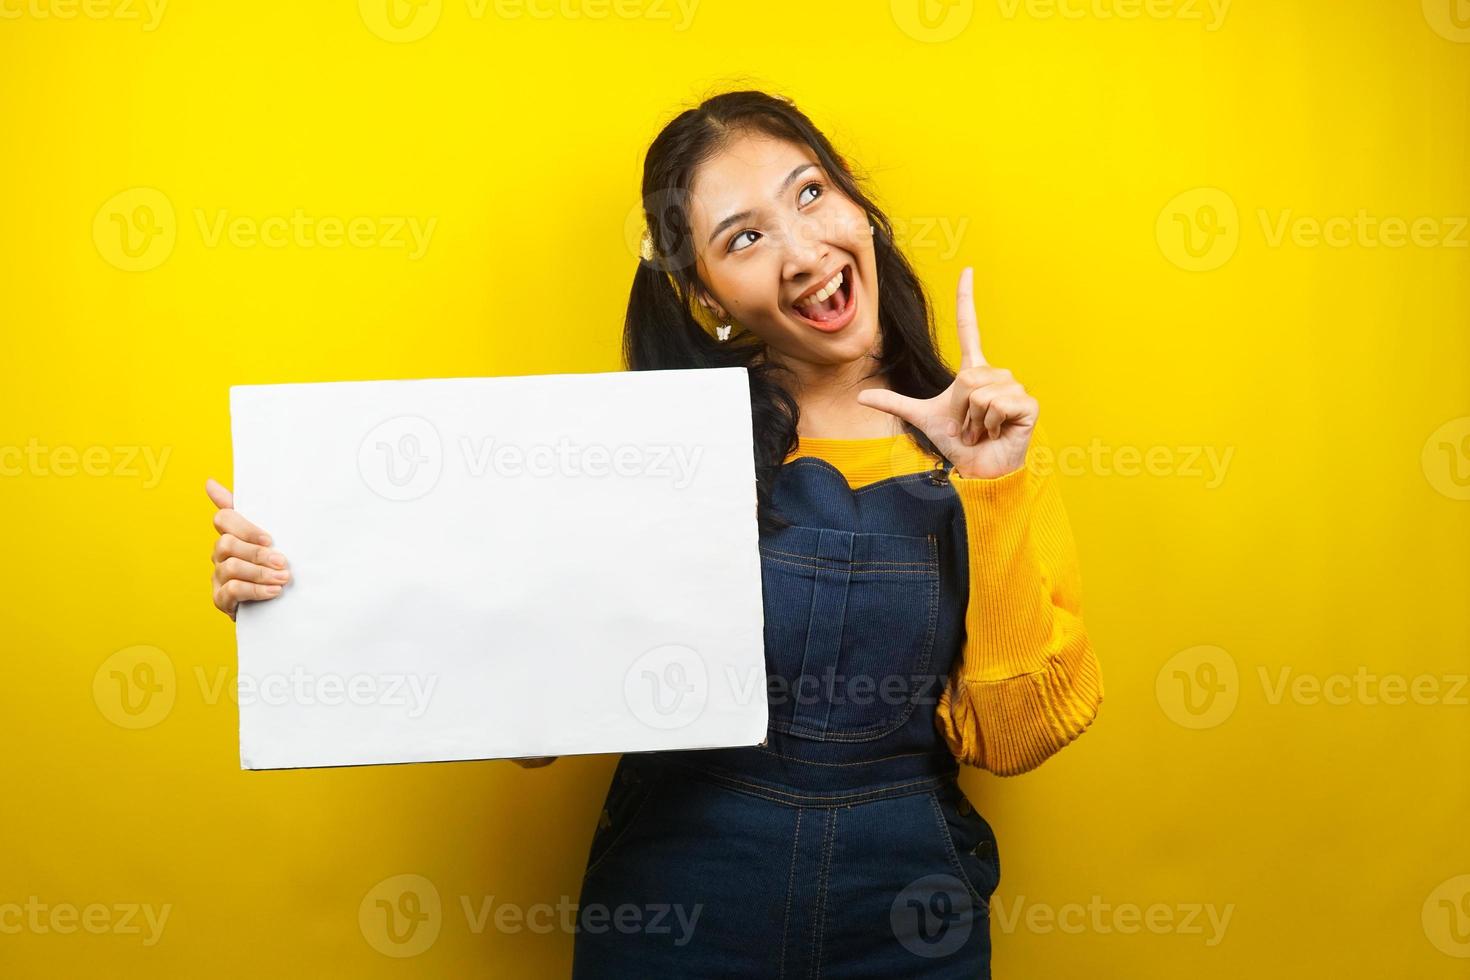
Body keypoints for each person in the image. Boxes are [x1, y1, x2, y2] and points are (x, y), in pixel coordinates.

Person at [206, 89, 1103, 977]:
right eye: (743, 238)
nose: (802, 252)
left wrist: (992, 487)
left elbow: (1016, 737)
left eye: (811, 194)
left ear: (860, 206)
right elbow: (533, 734)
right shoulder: (652, 453)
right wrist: (297, 595)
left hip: (908, 918)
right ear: (705, 294)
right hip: (680, 912)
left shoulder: (986, 446)